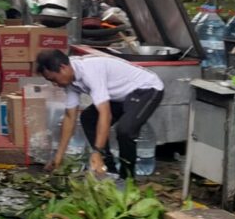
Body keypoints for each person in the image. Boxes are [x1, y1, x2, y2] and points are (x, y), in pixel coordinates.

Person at [37, 49, 163, 180]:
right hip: (120, 96)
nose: (55, 84)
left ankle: (128, 179)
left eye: (53, 79)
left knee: (125, 130)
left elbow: (105, 114)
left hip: (146, 89)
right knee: (88, 118)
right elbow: (70, 116)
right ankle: (110, 170)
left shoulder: (90, 72)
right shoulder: (70, 80)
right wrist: (58, 157)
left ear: (63, 68)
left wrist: (97, 151)